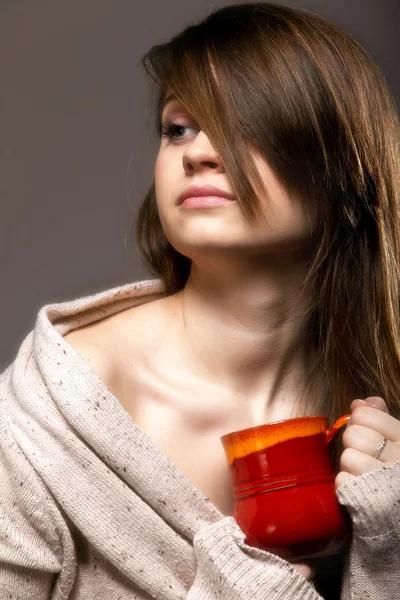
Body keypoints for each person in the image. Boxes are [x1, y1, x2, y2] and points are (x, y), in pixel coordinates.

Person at [0, 2, 399, 599]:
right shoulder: (47, 418)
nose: (197, 153)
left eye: (249, 125)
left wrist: (385, 544)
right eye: (178, 127)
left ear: (347, 178)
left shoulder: (380, 411)